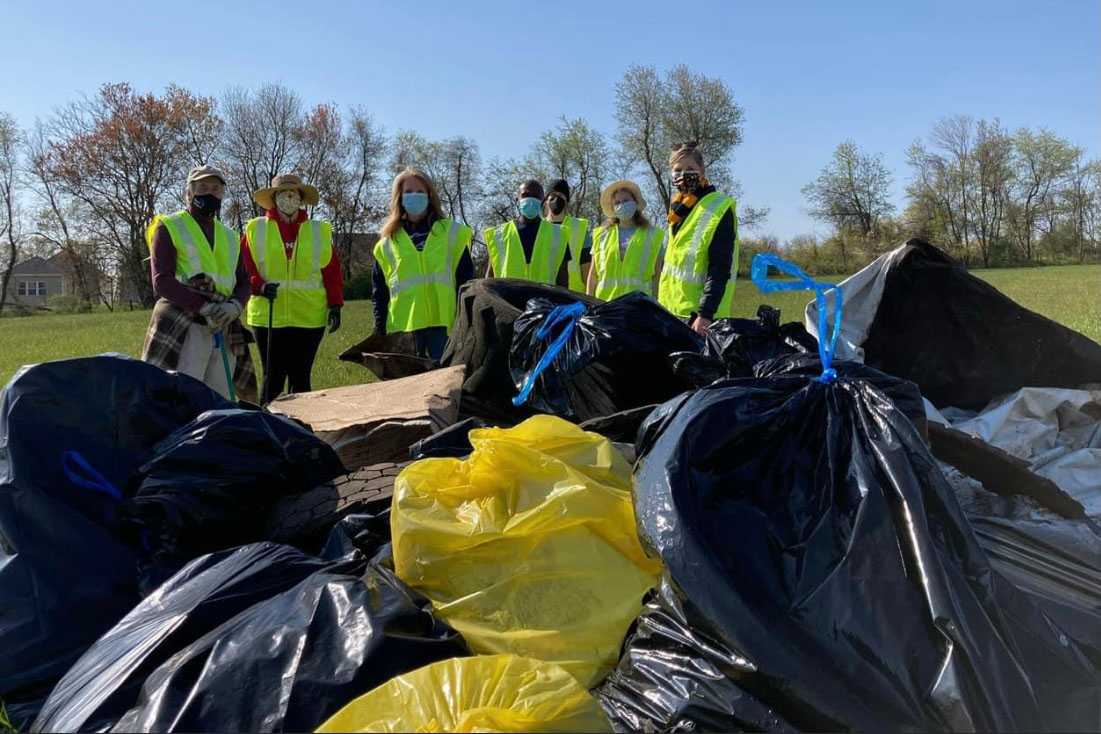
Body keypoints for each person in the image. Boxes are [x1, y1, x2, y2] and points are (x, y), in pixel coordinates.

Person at [141, 165, 256, 402]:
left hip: (224, 325)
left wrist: (235, 306)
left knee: (221, 399)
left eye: (216, 189)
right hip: (186, 325)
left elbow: (244, 281)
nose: (210, 193)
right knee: (184, 400)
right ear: (189, 193)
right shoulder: (169, 226)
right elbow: (161, 281)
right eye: (203, 187)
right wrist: (204, 307)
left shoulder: (231, 236)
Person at [242, 173, 344, 404]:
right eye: (283, 193)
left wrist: (336, 304)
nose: (288, 197)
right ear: (274, 198)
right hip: (268, 316)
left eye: (293, 193)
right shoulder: (255, 229)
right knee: (272, 379)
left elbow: (332, 271)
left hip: (309, 317)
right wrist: (259, 286)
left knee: (301, 379)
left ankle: (300, 424)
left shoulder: (319, 230)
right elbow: (244, 268)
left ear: (301, 198)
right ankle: (267, 424)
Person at [371, 167, 474, 360]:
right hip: (404, 328)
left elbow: (466, 280)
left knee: (445, 376)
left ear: (429, 195)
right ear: (400, 198)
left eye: (420, 191)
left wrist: (467, 319)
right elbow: (380, 292)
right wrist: (379, 327)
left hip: (444, 325)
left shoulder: (451, 233)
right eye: (408, 192)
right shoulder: (387, 243)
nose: (414, 196)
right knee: (410, 379)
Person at [658, 142, 739, 335]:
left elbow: (719, 268)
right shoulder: (677, 211)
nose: (683, 174)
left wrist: (705, 314)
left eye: (690, 169)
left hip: (700, 319)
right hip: (670, 312)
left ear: (702, 170)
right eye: (678, 170)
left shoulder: (718, 207)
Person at [483, 180, 572, 287]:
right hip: (507, 296)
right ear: (517, 200)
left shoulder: (558, 235)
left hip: (543, 296)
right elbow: (490, 276)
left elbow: (563, 279)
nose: (531, 199)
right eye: (525, 195)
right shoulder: (499, 234)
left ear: (543, 201)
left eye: (536, 196)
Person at [587, 180, 665, 300]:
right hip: (605, 304)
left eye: (626, 200)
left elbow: (657, 276)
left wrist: (655, 303)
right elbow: (593, 275)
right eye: (617, 202)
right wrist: (588, 302)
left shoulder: (653, 234)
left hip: (639, 305)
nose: (622, 205)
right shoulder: (601, 235)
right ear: (613, 208)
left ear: (635, 202)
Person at [542, 178, 591, 292]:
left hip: (573, 295)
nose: (556, 199)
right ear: (546, 200)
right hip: (544, 293)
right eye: (553, 195)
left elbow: (587, 269)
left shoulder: (580, 227)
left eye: (561, 195)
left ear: (567, 201)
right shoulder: (539, 227)